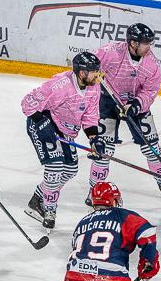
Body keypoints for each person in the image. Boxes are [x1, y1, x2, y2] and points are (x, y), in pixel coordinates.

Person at [87, 23, 161, 203]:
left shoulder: (151, 63)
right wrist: (92, 75)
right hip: (108, 102)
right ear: (133, 43)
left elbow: (150, 91)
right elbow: (89, 67)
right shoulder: (111, 52)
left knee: (151, 147)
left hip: (135, 104)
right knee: (104, 150)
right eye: (145, 43)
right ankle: (94, 189)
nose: (148, 47)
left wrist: (136, 105)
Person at [22, 51, 105, 230]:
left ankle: (38, 198)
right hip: (42, 124)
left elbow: (90, 116)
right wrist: (41, 122)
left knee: (70, 170)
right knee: (55, 168)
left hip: (64, 130)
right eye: (94, 72)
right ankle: (49, 208)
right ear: (82, 73)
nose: (97, 75)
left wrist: (94, 139)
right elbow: (27, 102)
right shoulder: (61, 84)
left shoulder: (94, 88)